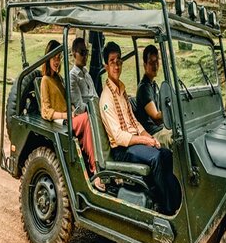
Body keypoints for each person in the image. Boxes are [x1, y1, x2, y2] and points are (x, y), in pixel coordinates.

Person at [99, 41, 179, 214]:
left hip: (134, 142)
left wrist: (148, 138)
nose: (117, 65)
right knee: (156, 158)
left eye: (119, 60)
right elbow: (119, 136)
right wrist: (144, 139)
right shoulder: (106, 99)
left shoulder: (121, 89)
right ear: (106, 65)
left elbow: (134, 122)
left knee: (166, 154)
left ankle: (176, 202)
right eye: (112, 61)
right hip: (122, 149)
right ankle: (166, 209)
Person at [39, 40, 102, 190]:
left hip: (70, 117)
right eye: (54, 57)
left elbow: (68, 99)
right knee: (86, 119)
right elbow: (45, 111)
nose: (56, 61)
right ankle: (95, 169)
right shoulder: (45, 81)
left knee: (91, 121)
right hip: (61, 121)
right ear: (47, 58)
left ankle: (98, 167)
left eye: (59, 57)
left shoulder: (59, 79)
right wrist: (66, 115)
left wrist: (72, 110)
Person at [135, 45, 172, 149]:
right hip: (152, 133)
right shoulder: (144, 88)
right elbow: (156, 117)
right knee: (175, 139)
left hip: (161, 129)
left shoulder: (154, 85)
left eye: (157, 62)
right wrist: (172, 110)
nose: (155, 66)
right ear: (145, 65)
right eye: (151, 63)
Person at [69, 37, 98, 114]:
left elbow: (96, 96)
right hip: (87, 115)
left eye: (86, 52)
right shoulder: (72, 76)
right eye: (82, 52)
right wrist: (94, 108)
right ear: (74, 53)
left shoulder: (87, 74)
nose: (85, 56)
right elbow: (79, 107)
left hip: (95, 111)